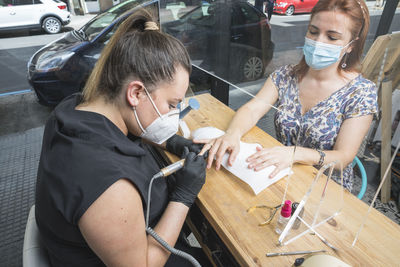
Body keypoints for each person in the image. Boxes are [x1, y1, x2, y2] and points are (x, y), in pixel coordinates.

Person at [35, 9, 208, 267]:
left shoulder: (77, 108)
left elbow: (124, 130)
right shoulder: (108, 187)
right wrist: (183, 196)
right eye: (172, 104)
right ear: (136, 93)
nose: (175, 114)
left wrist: (171, 141)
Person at [199, 0, 378, 192]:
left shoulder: (361, 92)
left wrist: (294, 154)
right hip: (279, 177)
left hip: (326, 192)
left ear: (352, 45)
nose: (318, 42)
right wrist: (232, 134)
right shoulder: (285, 76)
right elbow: (252, 109)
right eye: (313, 31)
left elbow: (343, 157)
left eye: (332, 37)